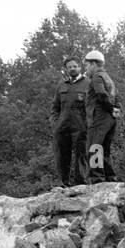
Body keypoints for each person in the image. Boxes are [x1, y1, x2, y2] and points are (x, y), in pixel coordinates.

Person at [51, 55, 90, 187]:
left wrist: (88, 124)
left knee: (81, 155)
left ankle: (80, 184)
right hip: (62, 127)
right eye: (69, 67)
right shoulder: (61, 85)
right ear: (66, 69)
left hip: (80, 127)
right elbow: (55, 107)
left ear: (80, 67)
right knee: (62, 157)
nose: (72, 69)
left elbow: (92, 107)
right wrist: (55, 124)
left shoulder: (88, 84)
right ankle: (63, 184)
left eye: (75, 66)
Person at [83, 50, 121, 182]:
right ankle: (110, 176)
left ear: (94, 64)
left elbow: (101, 95)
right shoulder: (108, 78)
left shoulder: (96, 78)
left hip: (99, 118)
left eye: (87, 65)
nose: (86, 69)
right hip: (111, 119)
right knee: (105, 148)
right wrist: (115, 109)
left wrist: (109, 108)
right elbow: (117, 97)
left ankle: (96, 178)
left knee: (94, 147)